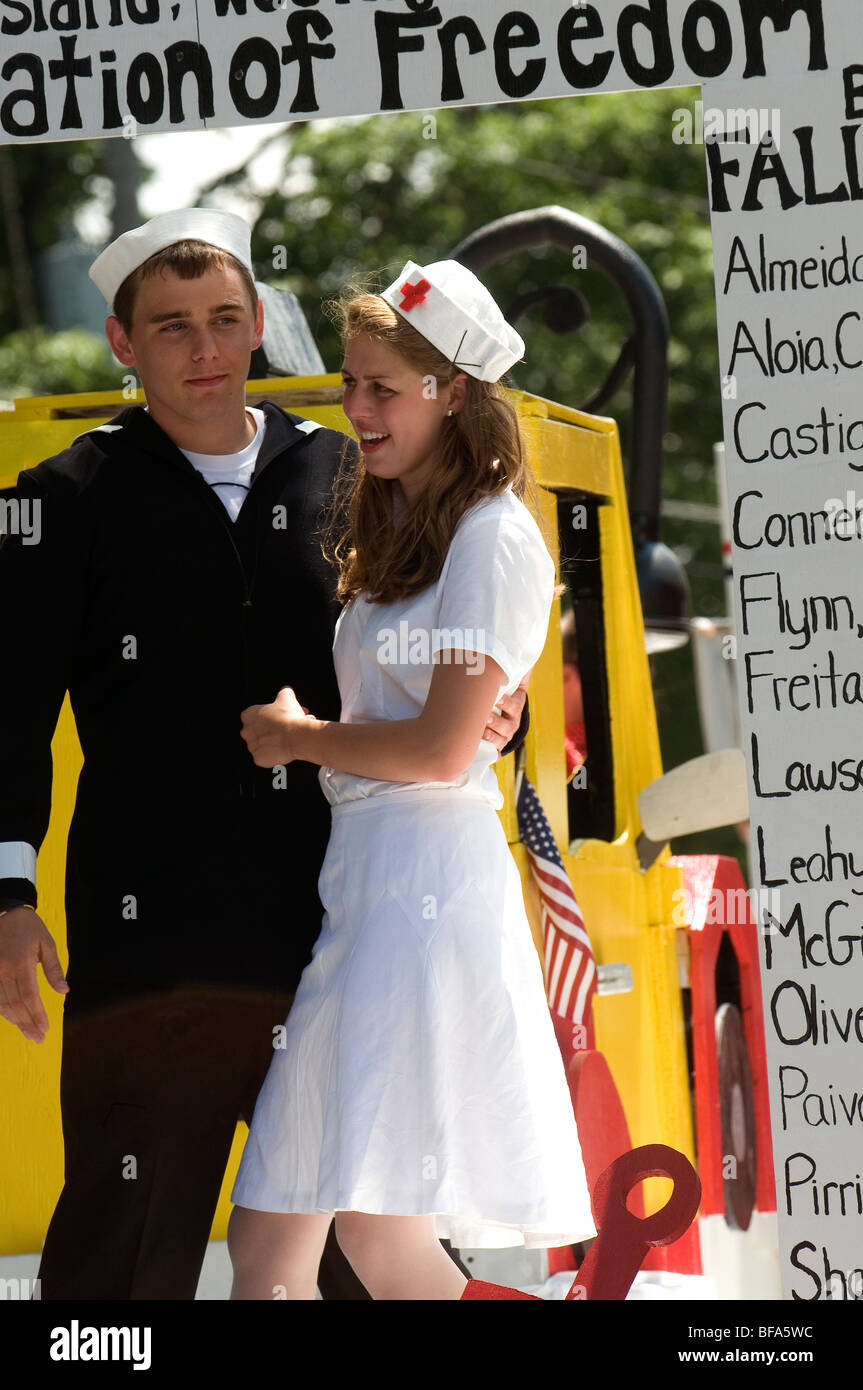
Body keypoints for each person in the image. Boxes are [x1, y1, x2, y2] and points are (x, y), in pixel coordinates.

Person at [0, 212, 526, 1300]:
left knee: (352, 1246)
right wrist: (7, 894)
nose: (204, 348)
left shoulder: (352, 472)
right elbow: (7, 713)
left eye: (226, 320)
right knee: (119, 1246)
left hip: (337, 930)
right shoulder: (61, 501)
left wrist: (494, 701)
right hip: (152, 941)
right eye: (172, 326)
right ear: (121, 343)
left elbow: (444, 621)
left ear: (257, 329)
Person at [227, 261, 595, 1301]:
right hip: (373, 892)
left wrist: (300, 739)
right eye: (350, 383)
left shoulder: (489, 536)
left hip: (423, 899)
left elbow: (437, 750)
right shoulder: (418, 534)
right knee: (276, 1244)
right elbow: (444, 730)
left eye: (380, 387)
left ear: (453, 394)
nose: (354, 408)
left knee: (372, 1241)